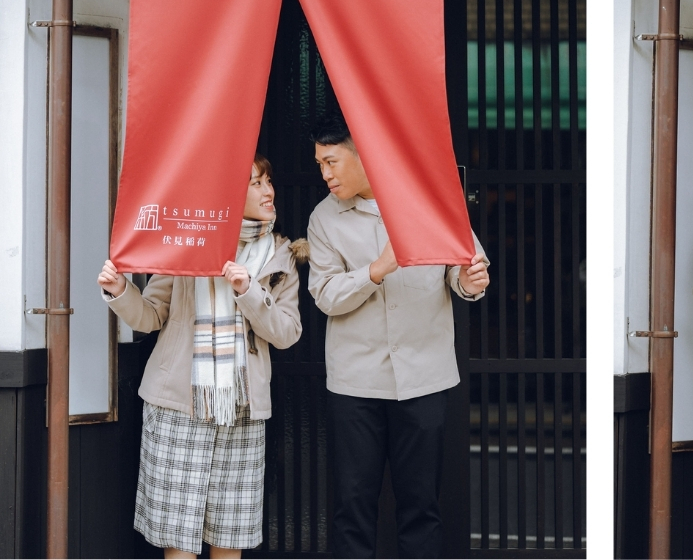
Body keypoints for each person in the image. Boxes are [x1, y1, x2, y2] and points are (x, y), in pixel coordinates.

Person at [96, 155, 304, 559]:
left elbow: (287, 334)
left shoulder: (280, 255)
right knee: (179, 540)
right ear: (227, 193)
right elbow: (152, 315)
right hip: (179, 404)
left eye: (268, 181)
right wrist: (121, 290)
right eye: (255, 183)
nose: (269, 191)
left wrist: (248, 292)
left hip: (243, 409)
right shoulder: (187, 242)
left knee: (229, 539)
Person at [306, 118, 490, 559]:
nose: (325, 174)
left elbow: (464, 274)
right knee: (352, 506)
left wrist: (471, 279)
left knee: (421, 506)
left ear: (363, 154)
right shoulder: (324, 218)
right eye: (319, 165)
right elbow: (325, 296)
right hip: (355, 383)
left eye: (332, 162)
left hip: (424, 377)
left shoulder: (429, 201)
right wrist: (376, 269)